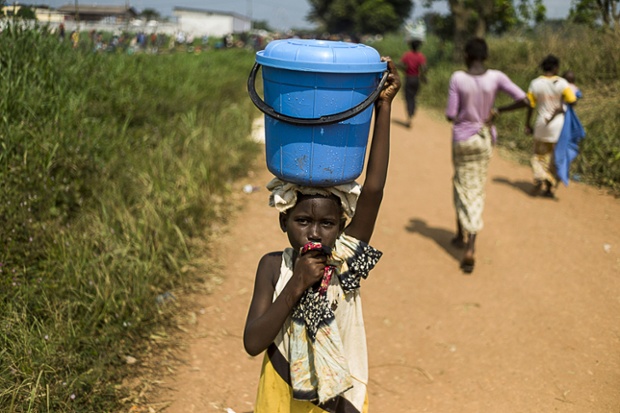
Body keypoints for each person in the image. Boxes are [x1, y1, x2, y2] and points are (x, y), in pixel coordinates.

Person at [243, 58, 401, 412]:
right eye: (301, 221)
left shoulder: (345, 260)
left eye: (327, 224)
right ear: (283, 222)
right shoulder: (273, 267)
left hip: (337, 400)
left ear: (342, 226)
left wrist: (384, 107)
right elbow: (253, 342)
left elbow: (373, 190)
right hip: (281, 394)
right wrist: (296, 284)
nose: (313, 232)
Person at [445, 38, 530, 274]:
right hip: (484, 139)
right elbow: (525, 100)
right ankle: (468, 240)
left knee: (461, 184)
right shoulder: (496, 77)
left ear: (466, 56)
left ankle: (462, 236)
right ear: (485, 56)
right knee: (477, 187)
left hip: (462, 139)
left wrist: (464, 113)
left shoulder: (457, 78)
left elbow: (451, 114)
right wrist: (497, 111)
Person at [525, 55, 578, 197]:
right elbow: (572, 100)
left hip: (541, 124)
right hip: (558, 127)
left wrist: (527, 124)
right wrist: (561, 105)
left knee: (539, 155)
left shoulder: (535, 83)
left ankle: (540, 175)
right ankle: (549, 188)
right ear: (556, 68)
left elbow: (530, 105)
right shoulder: (562, 83)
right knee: (554, 157)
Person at [398, 39, 427, 128]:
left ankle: (409, 115)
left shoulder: (407, 55)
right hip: (416, 79)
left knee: (408, 97)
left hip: (408, 78)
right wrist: (423, 76)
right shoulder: (420, 56)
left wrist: (405, 69)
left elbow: (401, 65)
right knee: (414, 96)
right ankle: (413, 111)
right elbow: (424, 68)